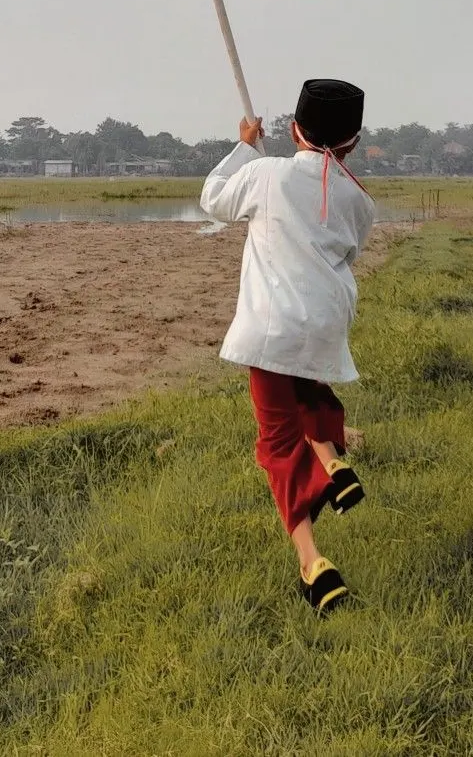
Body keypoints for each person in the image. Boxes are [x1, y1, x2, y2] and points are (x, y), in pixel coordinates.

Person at [200, 78, 375, 615]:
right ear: (353, 141)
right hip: (322, 325)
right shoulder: (358, 199)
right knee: (310, 399)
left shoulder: (265, 172)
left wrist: (247, 145)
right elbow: (348, 250)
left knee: (277, 445)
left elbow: (213, 202)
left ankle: (313, 566)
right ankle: (331, 461)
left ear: (294, 128)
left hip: (271, 331)